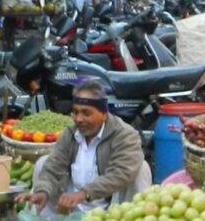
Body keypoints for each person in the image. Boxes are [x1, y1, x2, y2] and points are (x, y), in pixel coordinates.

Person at [22, 77, 148, 213]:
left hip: (111, 210)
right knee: (43, 162)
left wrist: (84, 193)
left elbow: (121, 173)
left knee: (141, 168)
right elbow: (54, 166)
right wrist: (43, 191)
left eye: (86, 113)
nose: (79, 119)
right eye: (75, 112)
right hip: (72, 209)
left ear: (104, 114)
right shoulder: (70, 134)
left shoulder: (124, 135)